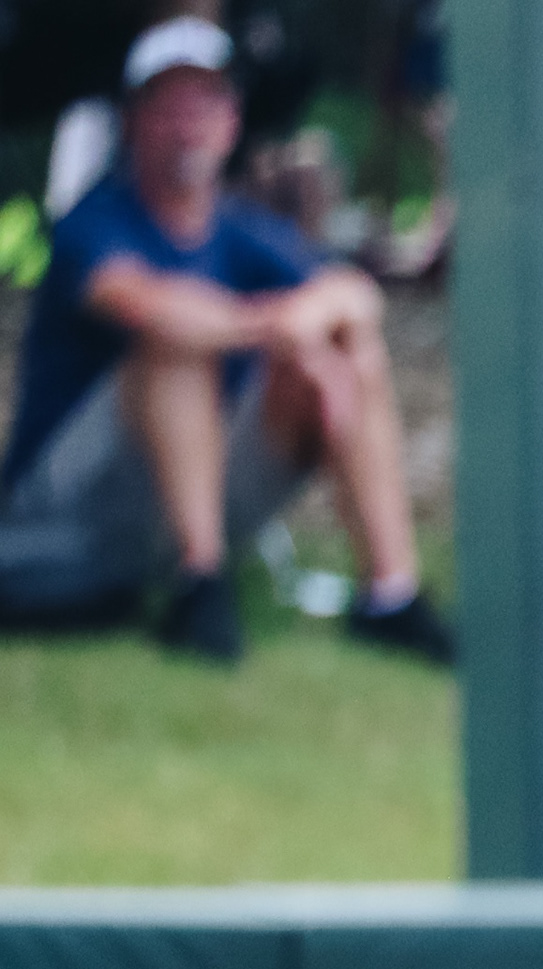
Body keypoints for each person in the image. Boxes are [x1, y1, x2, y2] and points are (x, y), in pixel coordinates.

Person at [0, 18, 453, 664]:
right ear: (134, 121)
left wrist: (305, 330)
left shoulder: (243, 228)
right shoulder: (94, 222)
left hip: (178, 495)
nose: (189, 125)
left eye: (205, 105)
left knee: (345, 356)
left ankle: (392, 595)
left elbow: (355, 296)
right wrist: (276, 325)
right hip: (63, 511)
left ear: (232, 120)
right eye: (170, 107)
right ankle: (200, 581)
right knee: (177, 350)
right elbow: (143, 304)